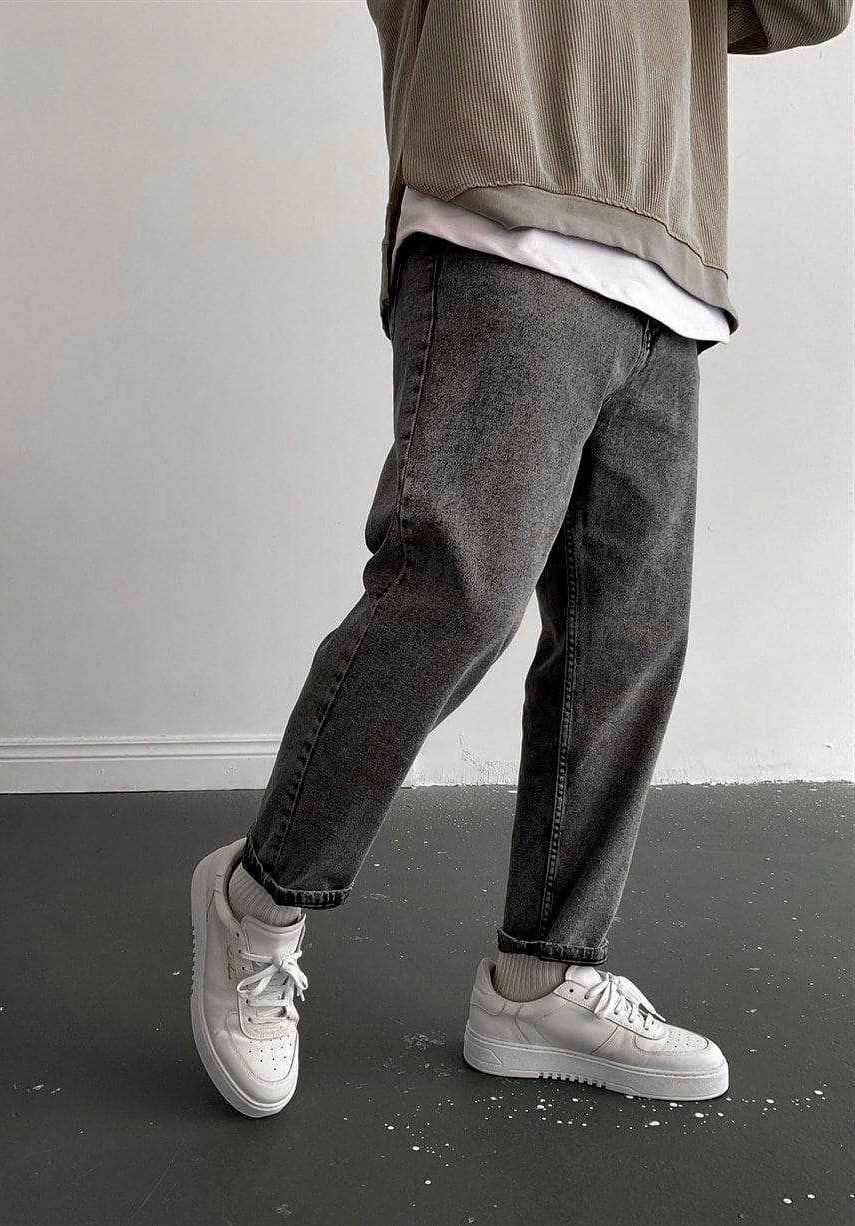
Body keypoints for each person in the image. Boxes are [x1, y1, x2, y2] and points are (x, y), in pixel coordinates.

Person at [189, 0, 851, 1117]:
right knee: (456, 592)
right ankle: (259, 897)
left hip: (670, 262)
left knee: (627, 642)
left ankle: (543, 976)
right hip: (505, 208)